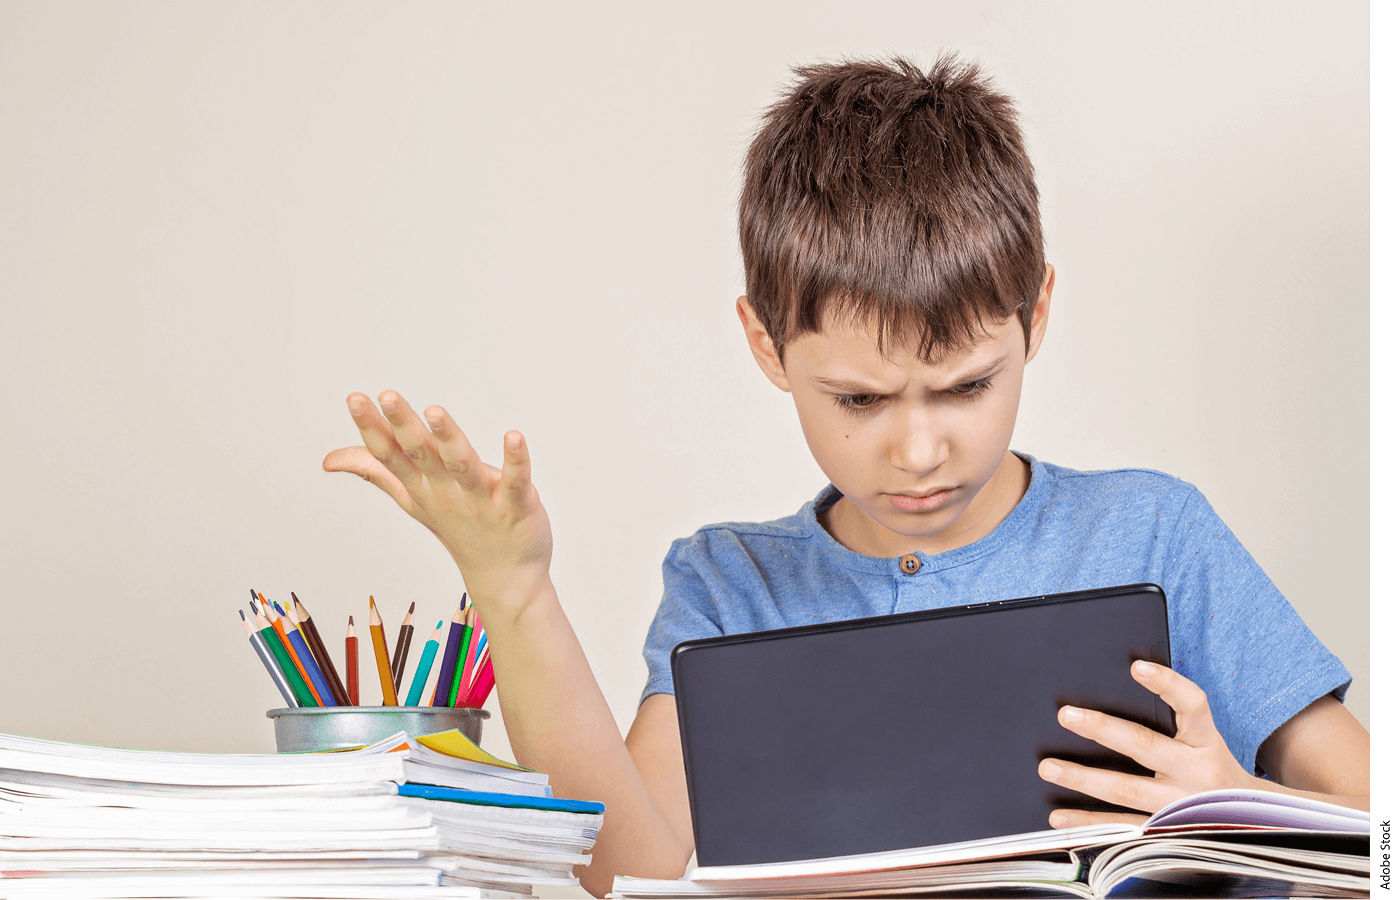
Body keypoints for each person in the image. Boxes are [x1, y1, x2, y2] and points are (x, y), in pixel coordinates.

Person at [322, 54, 1369, 897]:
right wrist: (513, 589)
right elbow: (626, 873)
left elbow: (1355, 821)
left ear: (1034, 316)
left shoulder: (1152, 532)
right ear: (766, 346)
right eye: (858, 402)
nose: (917, 452)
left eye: (964, 387)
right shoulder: (732, 585)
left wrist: (1225, 804)